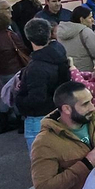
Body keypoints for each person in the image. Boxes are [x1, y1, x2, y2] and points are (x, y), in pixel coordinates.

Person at [18, 18, 73, 147]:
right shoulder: (59, 50)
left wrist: (19, 100)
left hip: (39, 118)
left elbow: (36, 99)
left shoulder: (36, 67)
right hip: (59, 111)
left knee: (40, 160)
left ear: (29, 38)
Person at [59, 8, 95, 72]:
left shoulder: (60, 31)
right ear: (81, 19)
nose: (93, 20)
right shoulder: (86, 32)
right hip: (85, 71)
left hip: (67, 69)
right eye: (90, 18)